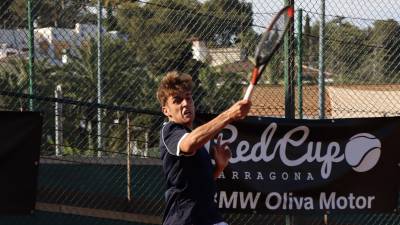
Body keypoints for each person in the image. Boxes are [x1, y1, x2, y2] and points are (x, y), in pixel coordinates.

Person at [157, 71, 251, 225]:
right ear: (166, 110)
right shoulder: (170, 130)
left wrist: (219, 167)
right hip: (184, 220)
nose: (185, 103)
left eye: (188, 98)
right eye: (177, 100)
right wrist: (229, 115)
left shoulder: (196, 140)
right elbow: (190, 142)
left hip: (209, 218)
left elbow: (199, 185)